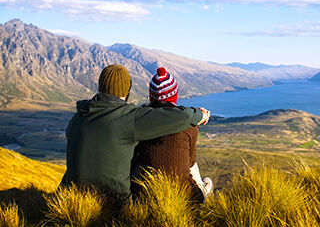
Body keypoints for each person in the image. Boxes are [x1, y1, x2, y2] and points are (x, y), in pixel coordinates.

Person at [60, 64, 210, 203]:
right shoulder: (127, 118)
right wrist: (200, 115)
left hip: (74, 200)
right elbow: (182, 117)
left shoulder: (77, 118)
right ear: (127, 92)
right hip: (114, 205)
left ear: (100, 87)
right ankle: (201, 192)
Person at [131, 67, 213, 204]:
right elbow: (191, 163)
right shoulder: (189, 124)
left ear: (151, 96)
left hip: (147, 192)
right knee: (191, 163)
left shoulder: (141, 121)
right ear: (174, 95)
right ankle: (202, 192)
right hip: (184, 195)